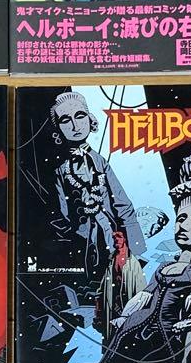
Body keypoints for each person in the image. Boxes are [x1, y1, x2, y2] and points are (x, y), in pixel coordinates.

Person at [103, 145, 191, 363]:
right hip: (133, 328)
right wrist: (125, 317)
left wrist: (186, 360)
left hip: (167, 338)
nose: (185, 227)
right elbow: (144, 297)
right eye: (182, 219)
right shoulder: (163, 267)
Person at [48, 91, 145, 297]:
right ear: (58, 130)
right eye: (66, 120)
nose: (75, 126)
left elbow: (122, 203)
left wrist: (136, 250)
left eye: (80, 116)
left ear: (90, 119)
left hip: (113, 239)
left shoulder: (100, 162)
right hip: (83, 244)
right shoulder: (60, 171)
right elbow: (61, 215)